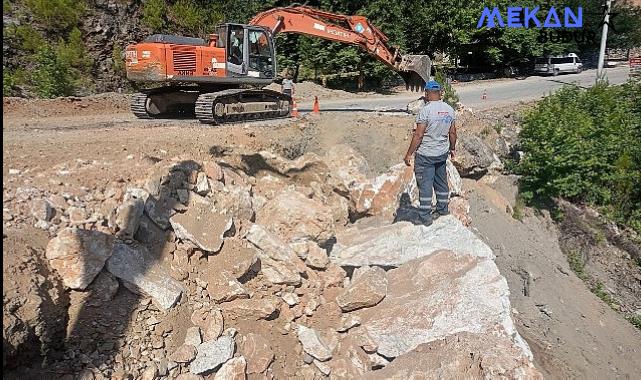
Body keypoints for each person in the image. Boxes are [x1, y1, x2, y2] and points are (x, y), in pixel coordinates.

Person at [403, 80, 457, 226]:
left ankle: (425, 218)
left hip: (426, 155)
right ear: (440, 93)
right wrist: (452, 148)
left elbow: (418, 135)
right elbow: (452, 133)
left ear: (426, 93)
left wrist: (409, 154)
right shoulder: (449, 109)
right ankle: (442, 209)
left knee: (425, 185)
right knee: (441, 182)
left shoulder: (425, 110)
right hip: (441, 153)